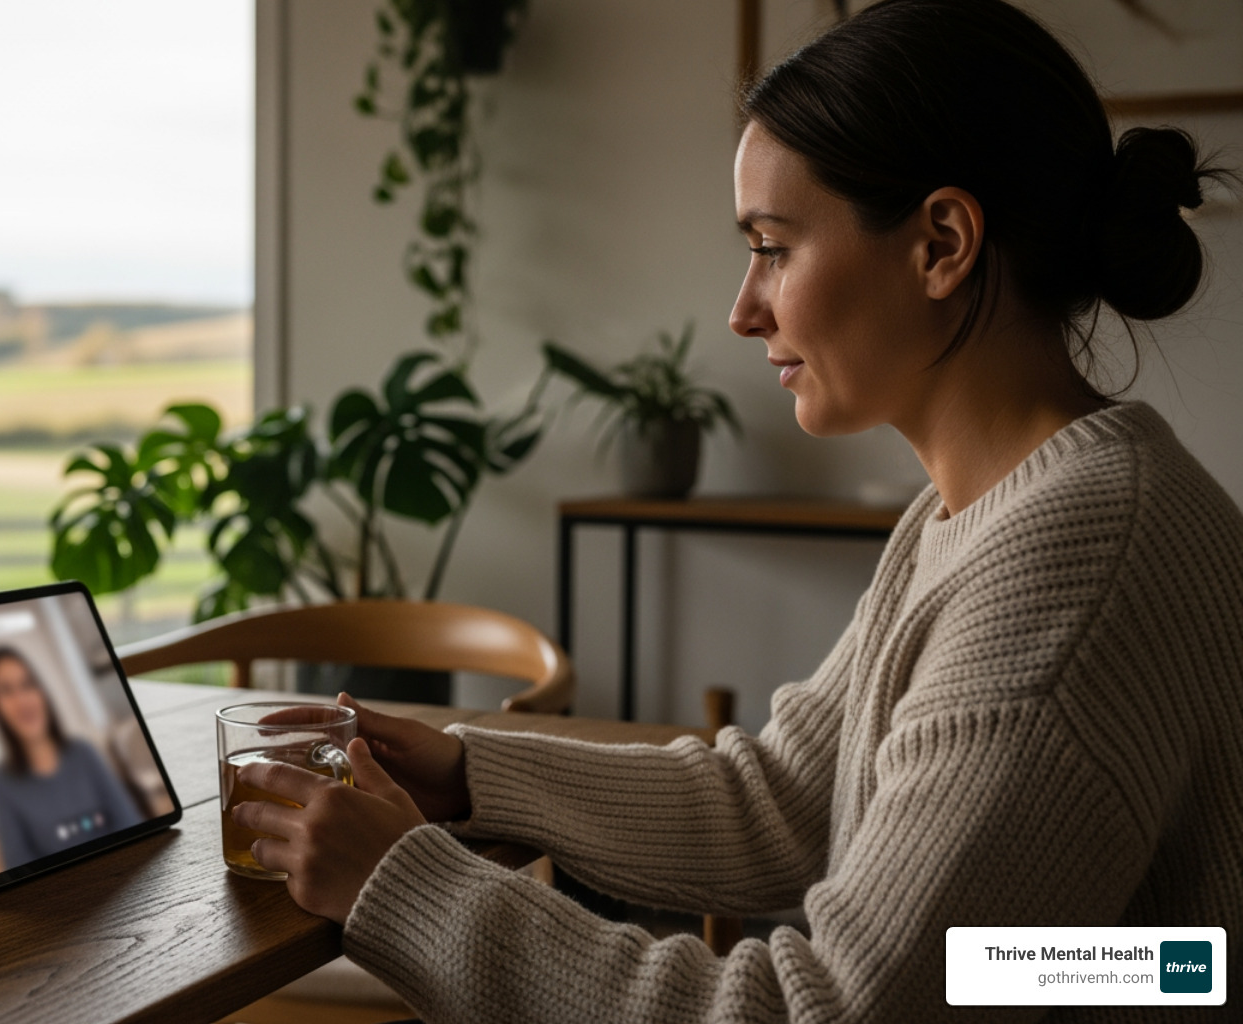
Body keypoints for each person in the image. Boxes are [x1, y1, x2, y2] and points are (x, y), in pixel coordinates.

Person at [229, 1, 1243, 1019]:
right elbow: (785, 801)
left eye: (773, 246)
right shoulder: (1000, 506)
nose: (743, 308)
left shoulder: (1072, 572)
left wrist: (402, 887)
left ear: (941, 242)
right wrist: (470, 770)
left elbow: (831, 1010)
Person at [0, 646, 142, 870]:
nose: (22, 700)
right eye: (7, 691)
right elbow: (19, 868)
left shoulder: (83, 753)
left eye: (27, 684)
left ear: (41, 692)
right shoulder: (2, 783)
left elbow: (128, 822)